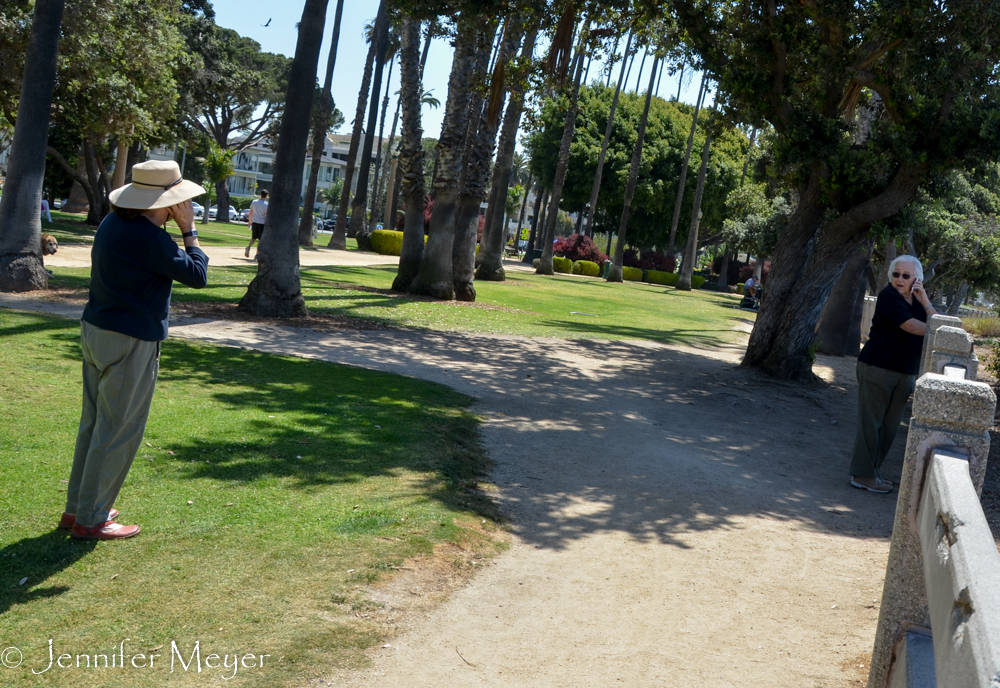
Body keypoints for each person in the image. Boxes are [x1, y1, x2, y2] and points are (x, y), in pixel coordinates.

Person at [61, 160, 209, 540]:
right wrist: (189, 231)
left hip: (97, 331)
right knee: (118, 430)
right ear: (166, 202)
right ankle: (91, 519)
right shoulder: (150, 237)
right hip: (131, 339)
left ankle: (78, 508)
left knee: (94, 424)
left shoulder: (114, 223)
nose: (182, 208)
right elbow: (197, 276)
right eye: (179, 202)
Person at [849, 254, 936, 494]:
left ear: (916, 279)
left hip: (905, 372)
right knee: (871, 424)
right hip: (877, 367)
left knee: (888, 427)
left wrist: (925, 300)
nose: (899, 279)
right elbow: (910, 326)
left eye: (905, 276)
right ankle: (861, 474)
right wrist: (937, 331)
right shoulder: (888, 296)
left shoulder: (918, 300)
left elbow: (933, 319)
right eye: (896, 274)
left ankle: (872, 473)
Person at [245, 190, 268, 258]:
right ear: (266, 196)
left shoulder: (254, 202)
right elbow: (266, 215)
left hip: (254, 221)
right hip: (262, 223)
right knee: (260, 239)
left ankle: (249, 247)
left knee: (254, 237)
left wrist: (249, 222)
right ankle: (257, 253)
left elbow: (251, 213)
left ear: (260, 194)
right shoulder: (266, 204)